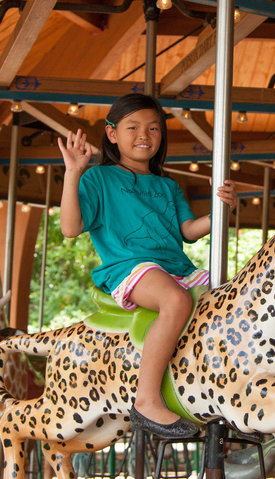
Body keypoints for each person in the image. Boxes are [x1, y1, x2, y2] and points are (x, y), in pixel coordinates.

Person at [58, 93, 238, 438]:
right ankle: (146, 400)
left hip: (176, 266)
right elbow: (70, 228)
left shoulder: (167, 186)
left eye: (153, 128)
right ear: (112, 134)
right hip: (130, 268)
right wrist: (73, 173)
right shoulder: (99, 179)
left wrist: (220, 211)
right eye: (133, 127)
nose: (145, 134)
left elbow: (187, 231)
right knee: (176, 301)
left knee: (227, 299)